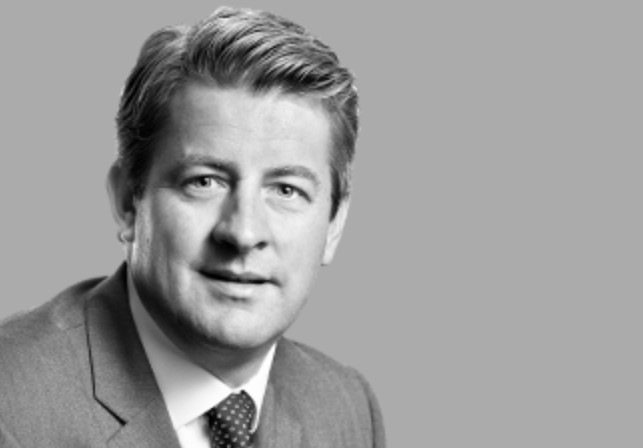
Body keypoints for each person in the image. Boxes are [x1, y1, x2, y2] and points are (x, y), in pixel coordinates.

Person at [0, 6, 385, 448]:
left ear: (334, 225)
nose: (243, 234)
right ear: (128, 202)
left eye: (286, 190)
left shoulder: (348, 408)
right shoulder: (11, 407)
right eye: (204, 182)